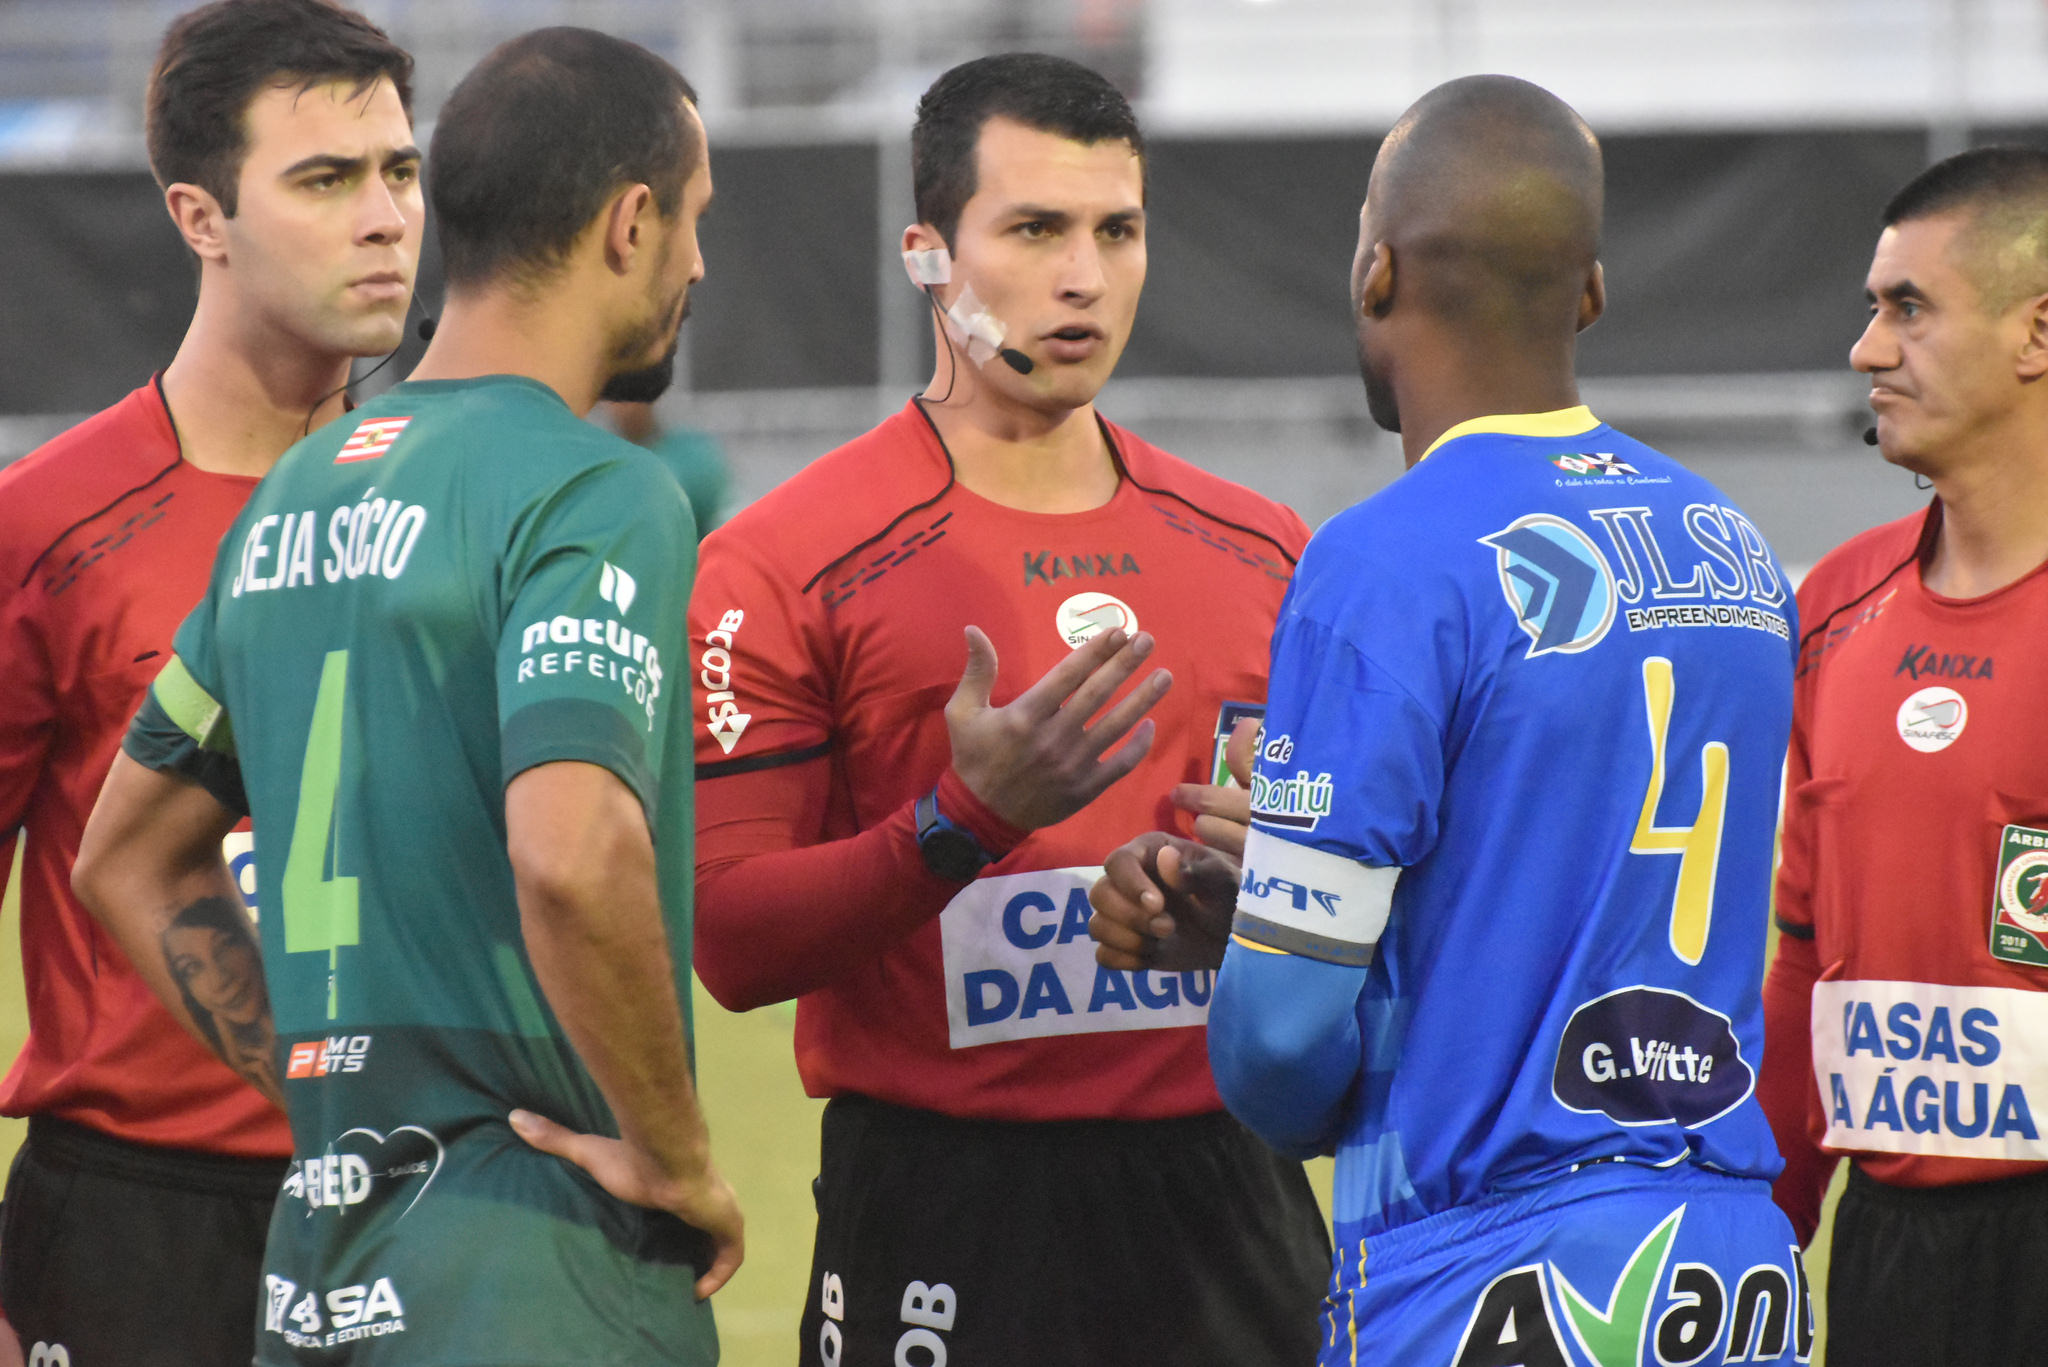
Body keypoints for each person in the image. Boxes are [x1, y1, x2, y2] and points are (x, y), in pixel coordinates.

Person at [1092, 75, 1815, 1364]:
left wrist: (1270, 962)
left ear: (1373, 270)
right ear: (1588, 292)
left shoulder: (1384, 560)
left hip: (1495, 1273)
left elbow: (1276, 1050)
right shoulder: (1733, 547)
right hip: (1727, 1267)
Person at [71, 26, 739, 1365]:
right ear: (628, 225)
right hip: (535, 1269)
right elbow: (571, 848)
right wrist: (677, 1159)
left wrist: (321, 1079)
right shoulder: (593, 488)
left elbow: (127, 853)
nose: (699, 264)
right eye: (693, 220)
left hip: (324, 1263)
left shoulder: (293, 498)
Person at [689, 51, 1329, 1367]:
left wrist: (1273, 884)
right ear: (930, 255)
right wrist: (964, 818)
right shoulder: (780, 561)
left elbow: (1360, 892)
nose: (1085, 273)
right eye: (1035, 228)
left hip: (1228, 1200)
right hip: (942, 1203)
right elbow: (733, 943)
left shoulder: (1266, 550)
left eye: (1118, 229)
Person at [0, 2, 417, 1360]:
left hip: (425, 1201)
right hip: (139, 1215)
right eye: (325, 179)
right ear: (200, 216)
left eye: (399, 171)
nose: (383, 217)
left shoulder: (464, 504)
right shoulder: (46, 525)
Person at [1758, 147, 2048, 1366]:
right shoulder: (1831, 606)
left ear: (2036, 333)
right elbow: (1801, 957)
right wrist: (1760, 1229)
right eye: (1872, 309)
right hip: (1884, 1253)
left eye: (1907, 309)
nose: (1865, 350)